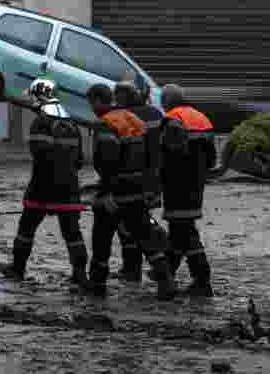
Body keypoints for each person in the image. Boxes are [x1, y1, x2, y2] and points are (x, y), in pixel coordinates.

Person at [85, 83, 177, 300]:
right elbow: (150, 154)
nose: (91, 108)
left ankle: (97, 284)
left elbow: (107, 160)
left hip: (116, 190)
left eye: (91, 103)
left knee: (101, 237)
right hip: (137, 188)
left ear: (98, 100)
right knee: (144, 235)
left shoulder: (105, 123)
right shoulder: (132, 118)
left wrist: (105, 191)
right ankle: (166, 280)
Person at [0, 79, 88, 287]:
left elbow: (39, 155)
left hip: (42, 186)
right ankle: (80, 275)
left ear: (39, 97)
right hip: (69, 187)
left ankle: (17, 269)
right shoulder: (73, 125)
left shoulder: (41, 122)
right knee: (72, 232)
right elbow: (80, 160)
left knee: (26, 228)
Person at [160, 83, 216, 297]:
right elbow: (211, 158)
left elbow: (167, 156)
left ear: (167, 101)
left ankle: (201, 279)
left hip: (176, 184)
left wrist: (157, 180)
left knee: (184, 230)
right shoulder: (201, 118)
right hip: (196, 184)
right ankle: (167, 272)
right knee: (180, 229)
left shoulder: (172, 119)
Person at [113, 81, 168, 282]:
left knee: (129, 224)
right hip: (155, 177)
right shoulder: (155, 114)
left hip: (134, 179)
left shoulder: (125, 117)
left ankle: (133, 268)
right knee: (139, 219)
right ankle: (138, 266)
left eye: (117, 96)